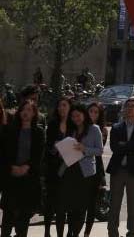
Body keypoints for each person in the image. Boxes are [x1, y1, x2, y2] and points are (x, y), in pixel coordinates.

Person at [1, 100, 45, 236]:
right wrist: (11, 168)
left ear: (34, 114)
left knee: (24, 217)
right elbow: (3, 153)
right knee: (8, 215)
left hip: (29, 178)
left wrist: (27, 167)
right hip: (11, 177)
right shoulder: (10, 129)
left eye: (29, 110)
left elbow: (38, 155)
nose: (26, 112)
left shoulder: (38, 132)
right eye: (23, 109)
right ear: (19, 112)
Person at [107, 97, 134, 237]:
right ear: (124, 109)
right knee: (114, 204)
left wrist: (124, 145)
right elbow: (114, 147)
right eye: (128, 106)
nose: (130, 108)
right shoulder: (116, 127)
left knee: (133, 204)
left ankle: (132, 231)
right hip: (118, 170)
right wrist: (132, 147)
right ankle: (112, 232)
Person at [59, 103, 104, 236]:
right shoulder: (71, 129)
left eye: (78, 115)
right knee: (70, 206)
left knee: (81, 207)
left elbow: (100, 150)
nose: (76, 118)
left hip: (85, 173)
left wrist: (85, 149)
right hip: (70, 170)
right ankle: (70, 232)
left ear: (84, 115)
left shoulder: (94, 129)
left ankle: (75, 233)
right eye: (73, 116)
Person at [45, 96, 74, 237]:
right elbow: (49, 145)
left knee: (64, 204)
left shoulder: (74, 125)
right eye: (59, 106)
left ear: (69, 107)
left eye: (64, 105)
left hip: (68, 169)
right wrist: (57, 148)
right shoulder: (52, 124)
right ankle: (47, 232)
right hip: (53, 168)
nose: (61, 108)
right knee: (50, 201)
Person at [84, 103, 108, 237]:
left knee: (92, 205)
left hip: (96, 168)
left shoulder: (101, 130)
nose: (92, 114)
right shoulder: (80, 127)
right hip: (80, 168)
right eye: (90, 111)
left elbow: (98, 150)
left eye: (96, 112)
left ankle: (87, 233)